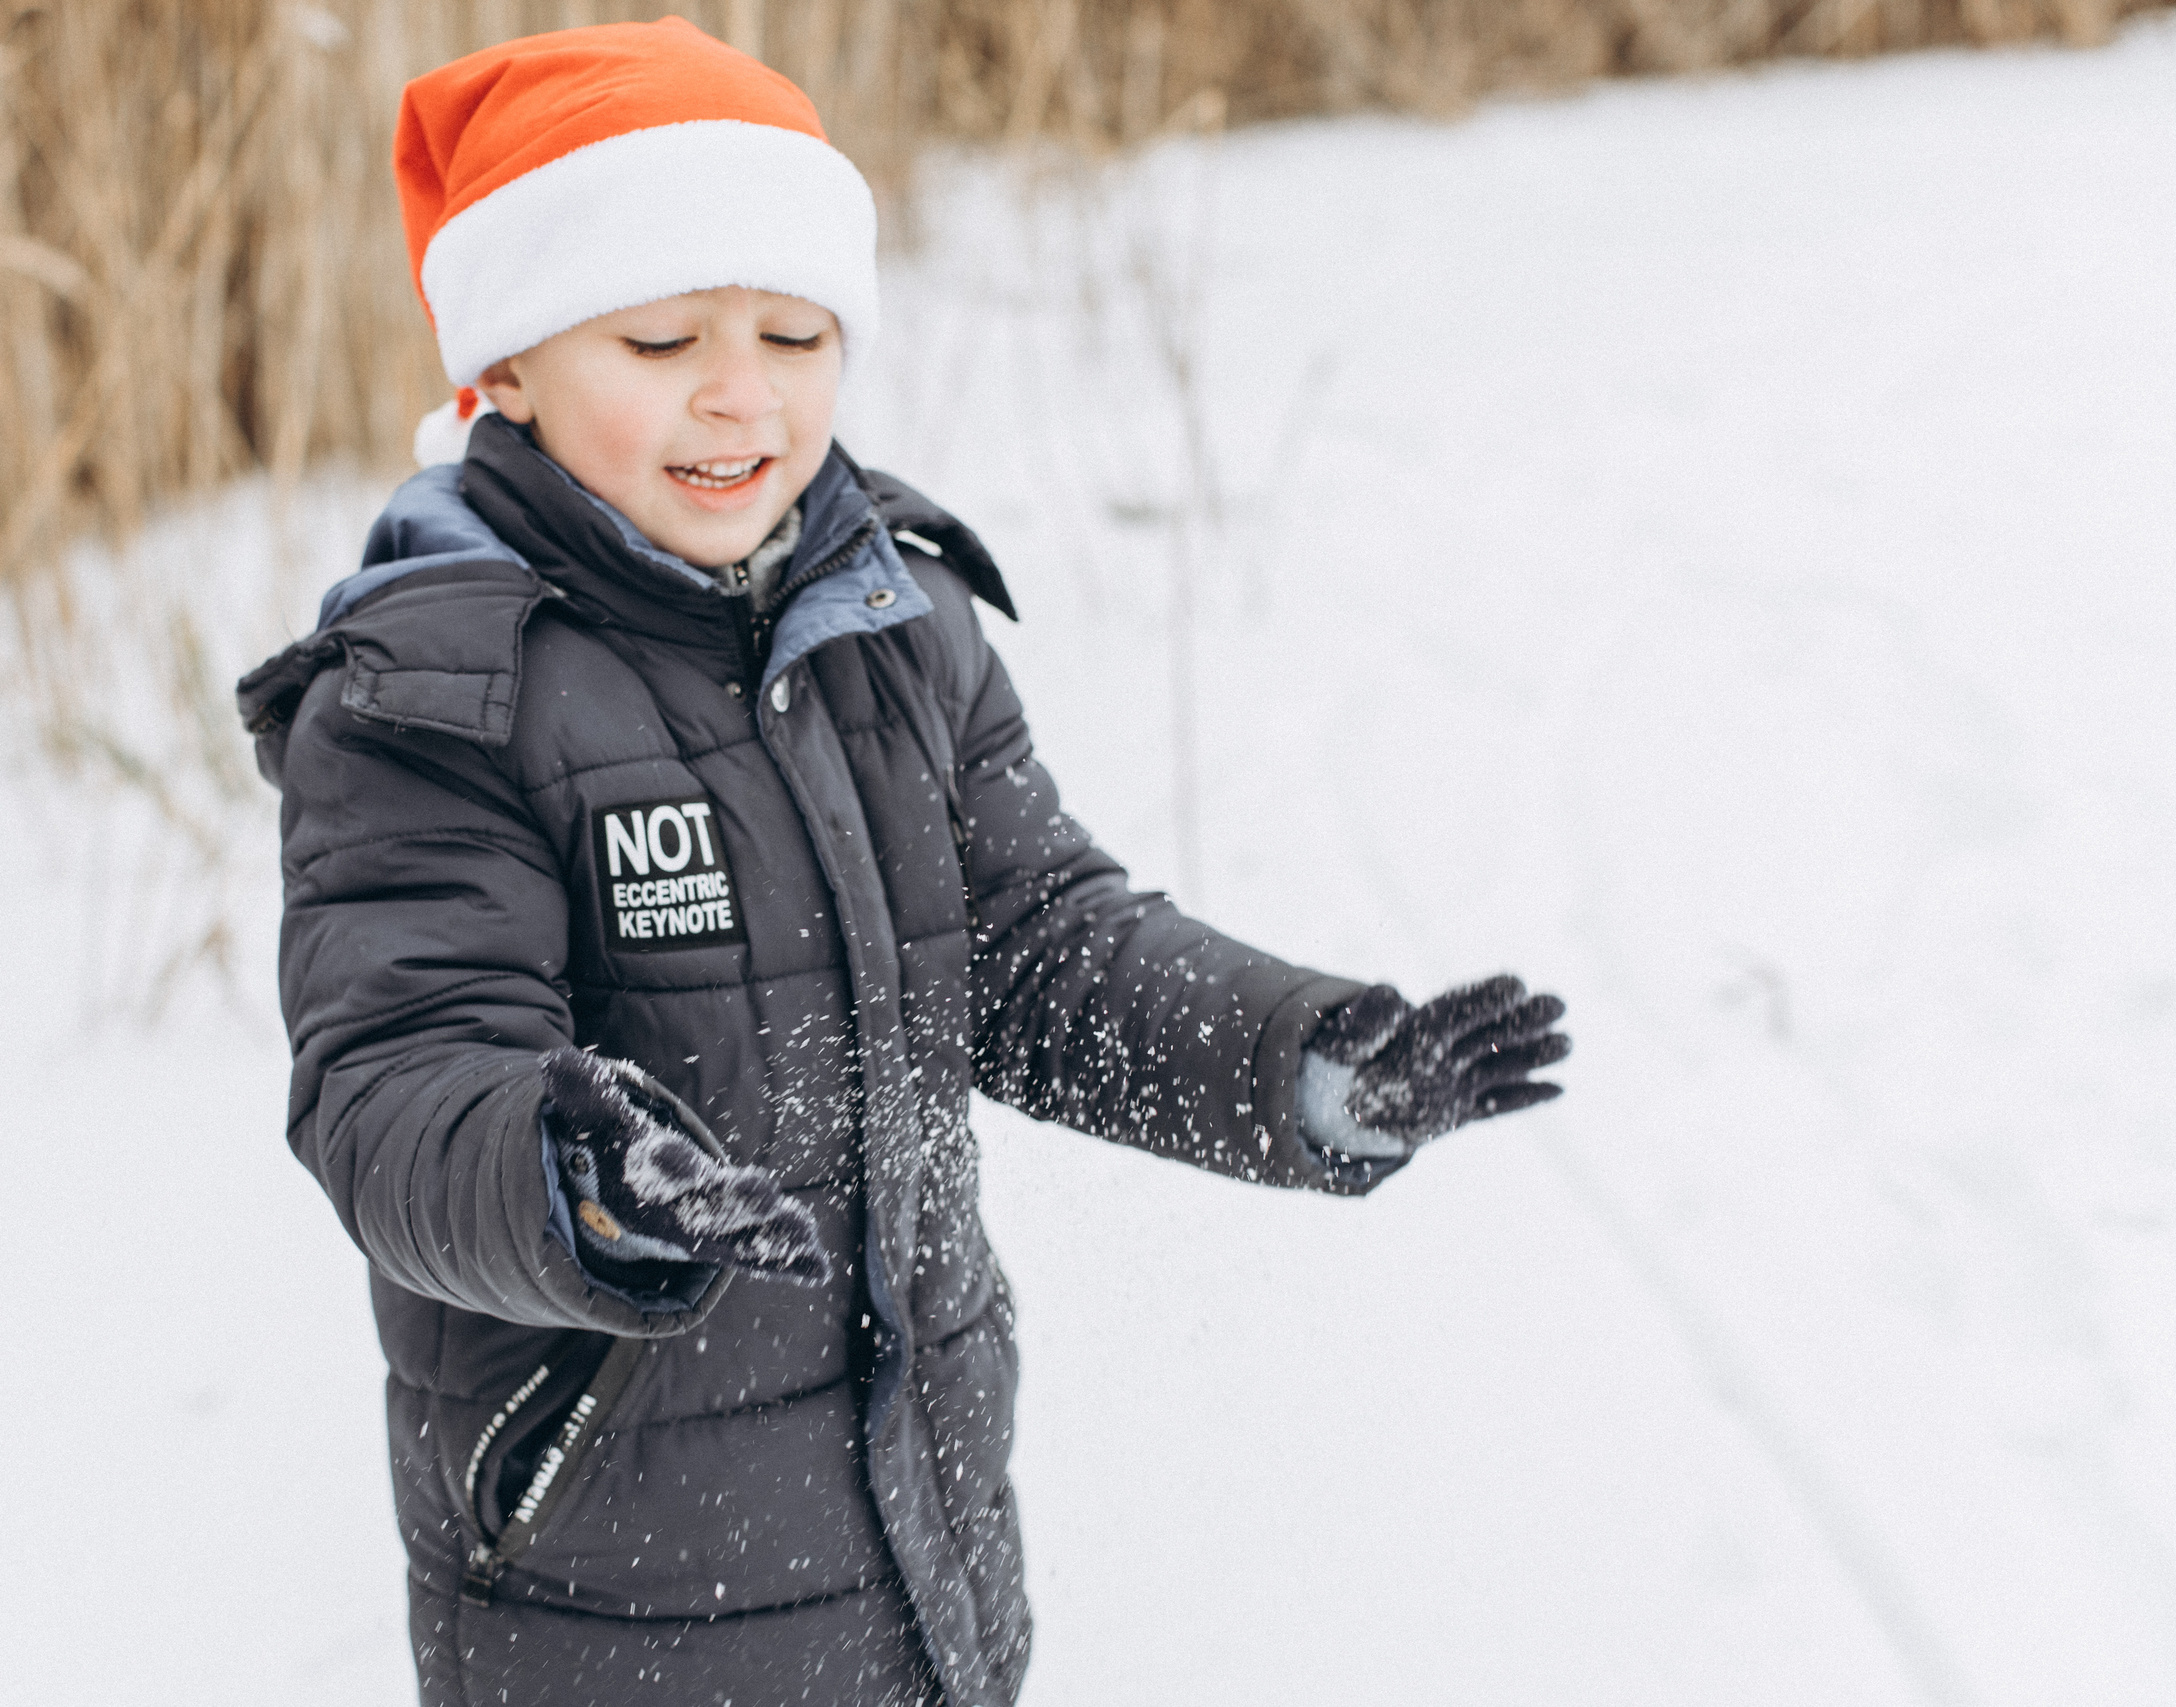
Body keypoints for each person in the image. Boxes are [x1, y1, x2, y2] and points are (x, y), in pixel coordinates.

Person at [235, 19, 1569, 1707]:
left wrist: (1297, 1064)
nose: (744, 392)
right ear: (507, 367)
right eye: (660, 340)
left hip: (919, 1559)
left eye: (797, 333)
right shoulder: (437, 698)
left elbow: (1042, 950)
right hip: (612, 1604)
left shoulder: (898, 625)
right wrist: (571, 1176)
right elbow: (393, 1076)